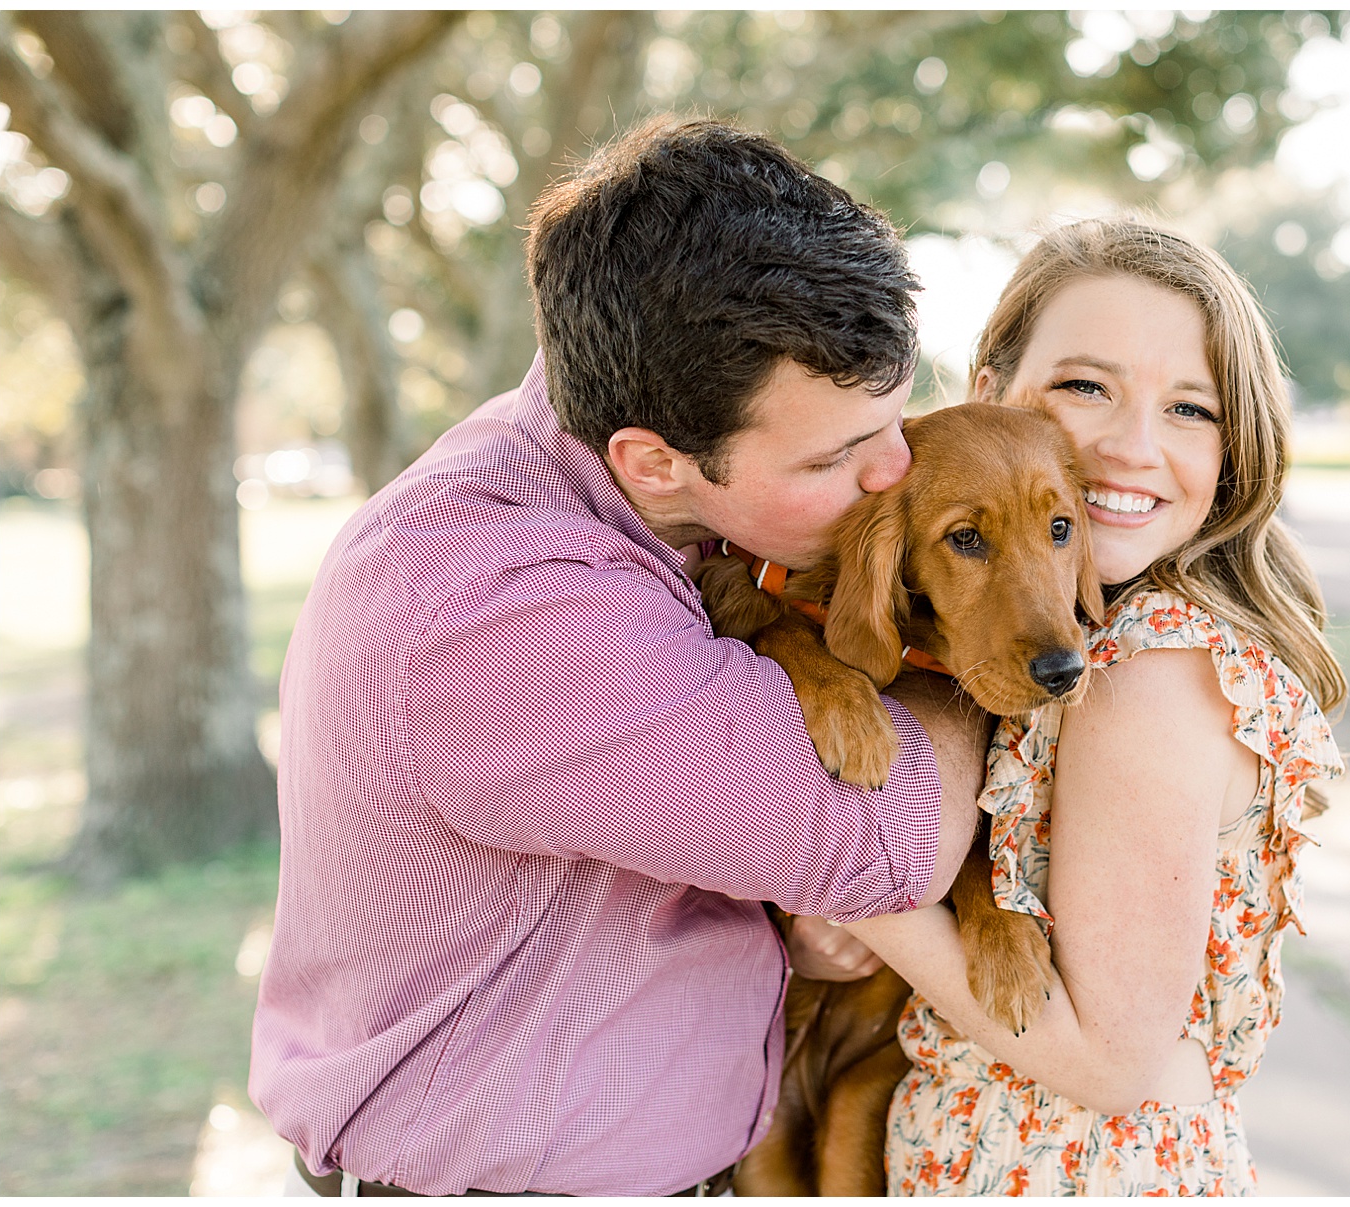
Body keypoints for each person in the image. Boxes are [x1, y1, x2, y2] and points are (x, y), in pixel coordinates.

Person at [249, 116, 986, 1198]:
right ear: (656, 460)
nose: (898, 474)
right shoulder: (500, 605)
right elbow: (886, 840)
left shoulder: (661, 474)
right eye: (838, 456)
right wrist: (964, 668)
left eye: (896, 416)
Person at [842, 218, 1348, 1195]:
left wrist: (823, 874)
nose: (1128, 447)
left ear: (1234, 449)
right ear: (990, 391)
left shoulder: (1144, 671)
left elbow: (1108, 1060)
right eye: (1085, 387)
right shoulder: (1075, 642)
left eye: (1191, 409)